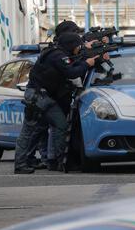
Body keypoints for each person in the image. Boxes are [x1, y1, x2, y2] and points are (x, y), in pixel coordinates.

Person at [14, 33, 98, 174]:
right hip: (39, 97)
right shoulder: (58, 56)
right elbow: (71, 72)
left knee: (49, 127)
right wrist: (87, 63)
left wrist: (86, 55)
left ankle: (53, 161)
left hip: (40, 96)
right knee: (31, 131)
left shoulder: (55, 53)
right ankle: (24, 164)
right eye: (77, 46)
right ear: (71, 44)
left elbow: (71, 64)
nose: (78, 48)